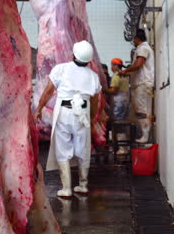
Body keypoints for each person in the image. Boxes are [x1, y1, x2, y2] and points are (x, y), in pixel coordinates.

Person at [35, 40, 101, 197]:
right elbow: (95, 101)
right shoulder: (93, 76)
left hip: (64, 112)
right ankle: (83, 185)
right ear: (89, 59)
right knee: (83, 148)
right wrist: (91, 119)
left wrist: (39, 109)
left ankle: (66, 188)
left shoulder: (61, 69)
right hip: (83, 114)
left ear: (73, 55)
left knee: (63, 148)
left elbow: (48, 91)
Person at [119, 29, 154, 144]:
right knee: (137, 112)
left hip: (142, 84)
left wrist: (125, 70)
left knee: (142, 111)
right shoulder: (141, 48)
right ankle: (143, 134)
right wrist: (127, 73)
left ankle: (145, 136)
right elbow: (138, 69)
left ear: (136, 38)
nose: (133, 41)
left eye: (133, 39)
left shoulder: (143, 48)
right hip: (139, 84)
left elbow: (138, 65)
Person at [103, 58, 130, 154]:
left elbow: (114, 90)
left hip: (119, 104)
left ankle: (122, 149)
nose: (111, 67)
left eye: (112, 65)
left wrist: (104, 90)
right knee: (123, 125)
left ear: (115, 65)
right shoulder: (124, 75)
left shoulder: (116, 76)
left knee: (118, 125)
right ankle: (125, 147)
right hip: (126, 103)